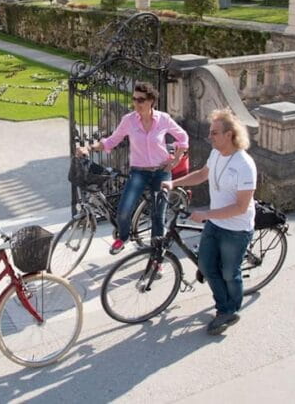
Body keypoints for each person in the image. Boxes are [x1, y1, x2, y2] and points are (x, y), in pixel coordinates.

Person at [163, 108, 257, 336]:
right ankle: (224, 306)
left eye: (214, 133)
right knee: (205, 266)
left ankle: (228, 311)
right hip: (216, 223)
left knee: (230, 273)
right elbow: (202, 174)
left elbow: (240, 207)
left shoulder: (244, 165)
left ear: (229, 135)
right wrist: (174, 183)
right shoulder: (216, 154)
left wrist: (206, 214)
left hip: (236, 229)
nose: (209, 136)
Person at [77, 81, 188, 255]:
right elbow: (112, 141)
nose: (136, 103)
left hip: (161, 172)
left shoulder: (163, 119)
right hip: (139, 172)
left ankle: (156, 257)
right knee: (123, 210)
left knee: (158, 216)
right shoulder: (129, 120)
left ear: (151, 101)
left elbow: (183, 137)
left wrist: (174, 161)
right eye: (134, 99)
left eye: (141, 100)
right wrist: (89, 148)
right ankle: (123, 237)